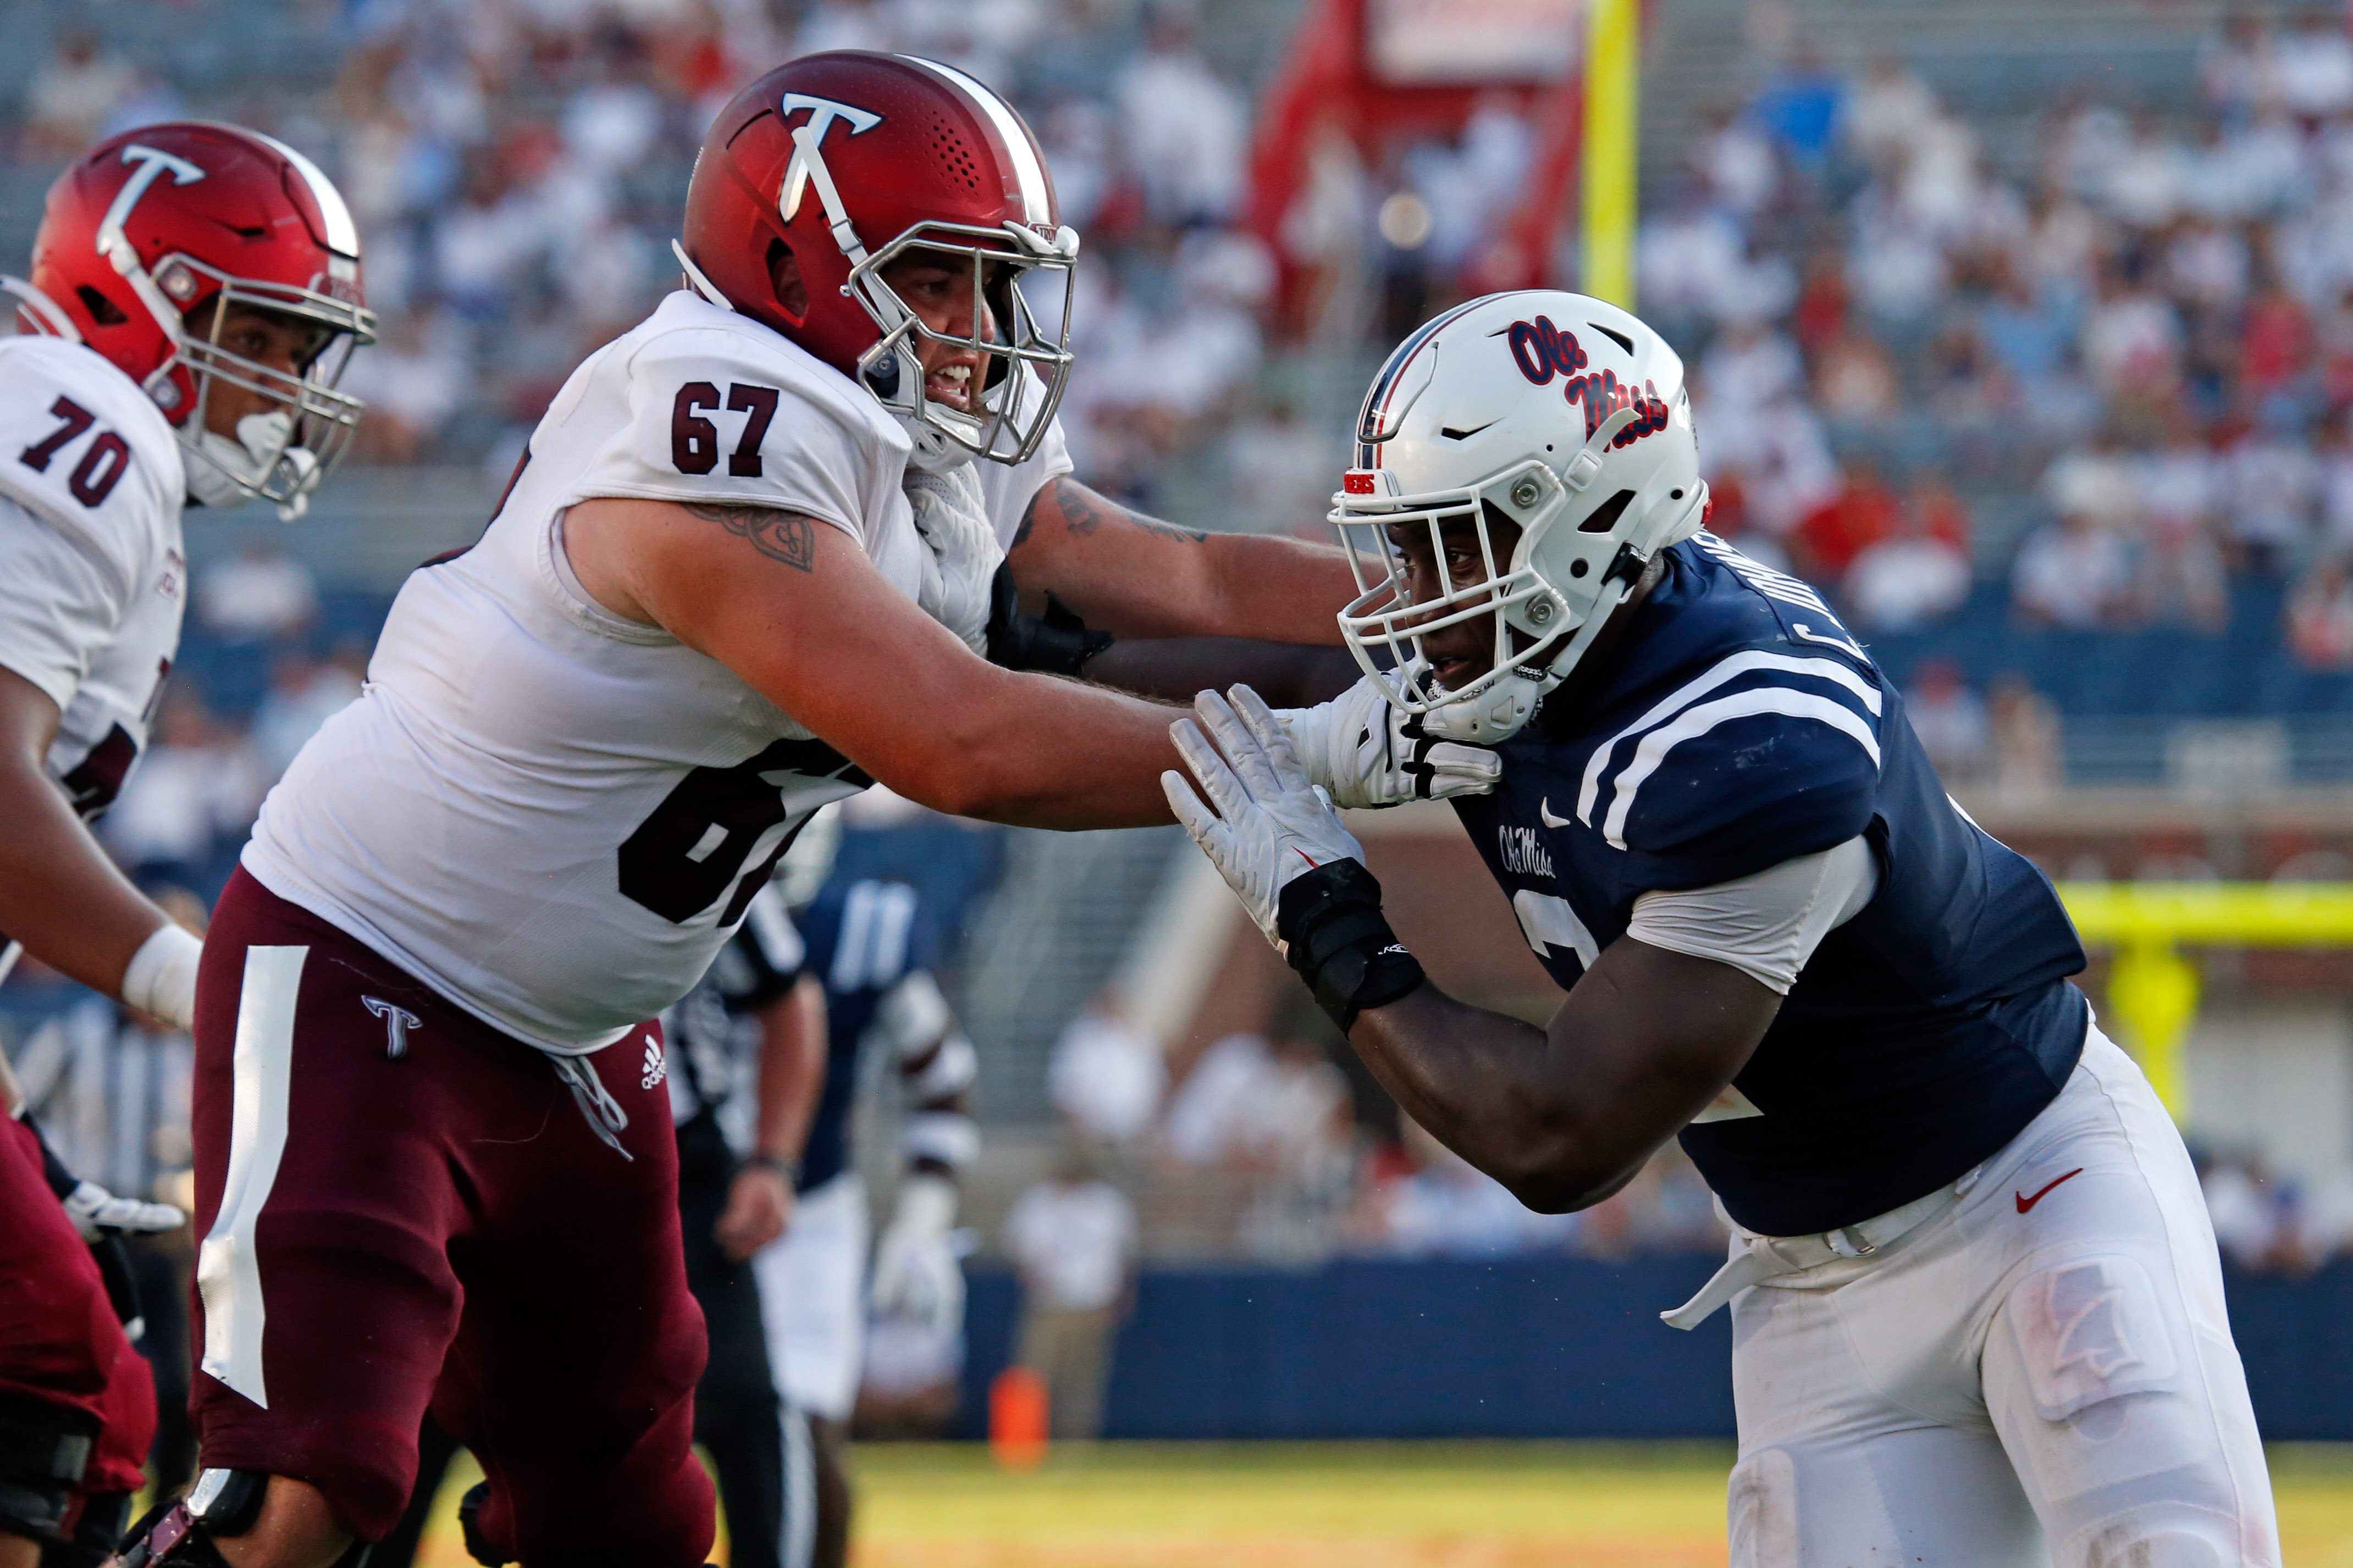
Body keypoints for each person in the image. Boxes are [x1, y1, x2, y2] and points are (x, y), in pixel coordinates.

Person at [149, 52, 1443, 1568]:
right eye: (937, 284)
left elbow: (1202, 579)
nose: (972, 332)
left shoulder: (913, 429)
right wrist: (1350, 749)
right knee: (304, 1494)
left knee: (634, 1517)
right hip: (368, 961)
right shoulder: (700, 419)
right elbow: (955, 742)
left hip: (575, 1034)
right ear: (792, 266)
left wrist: (1464, 603)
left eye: (986, 287)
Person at [1166, 290, 2280, 1567]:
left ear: (1583, 529)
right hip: (1811, 1274)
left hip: (2032, 1185)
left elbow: (1558, 1135)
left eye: (1454, 547)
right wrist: (982, 638)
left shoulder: (1748, 735)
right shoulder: (1545, 656)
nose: (1418, 599)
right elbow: (1190, 647)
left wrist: (1321, 911)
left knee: (2172, 1553)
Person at [0, 120, 372, 1568]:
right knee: (60, 1381)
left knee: (78, 1366)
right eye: (268, 337)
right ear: (135, 294)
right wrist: (185, 977)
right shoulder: (87, 432)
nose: (285, 388)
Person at [752, 836, 984, 1568]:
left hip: (807, 1214)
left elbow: (942, 1079)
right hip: (672, 1206)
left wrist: (922, 1222)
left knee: (807, 1431)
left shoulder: (862, 927)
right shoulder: (666, 912)